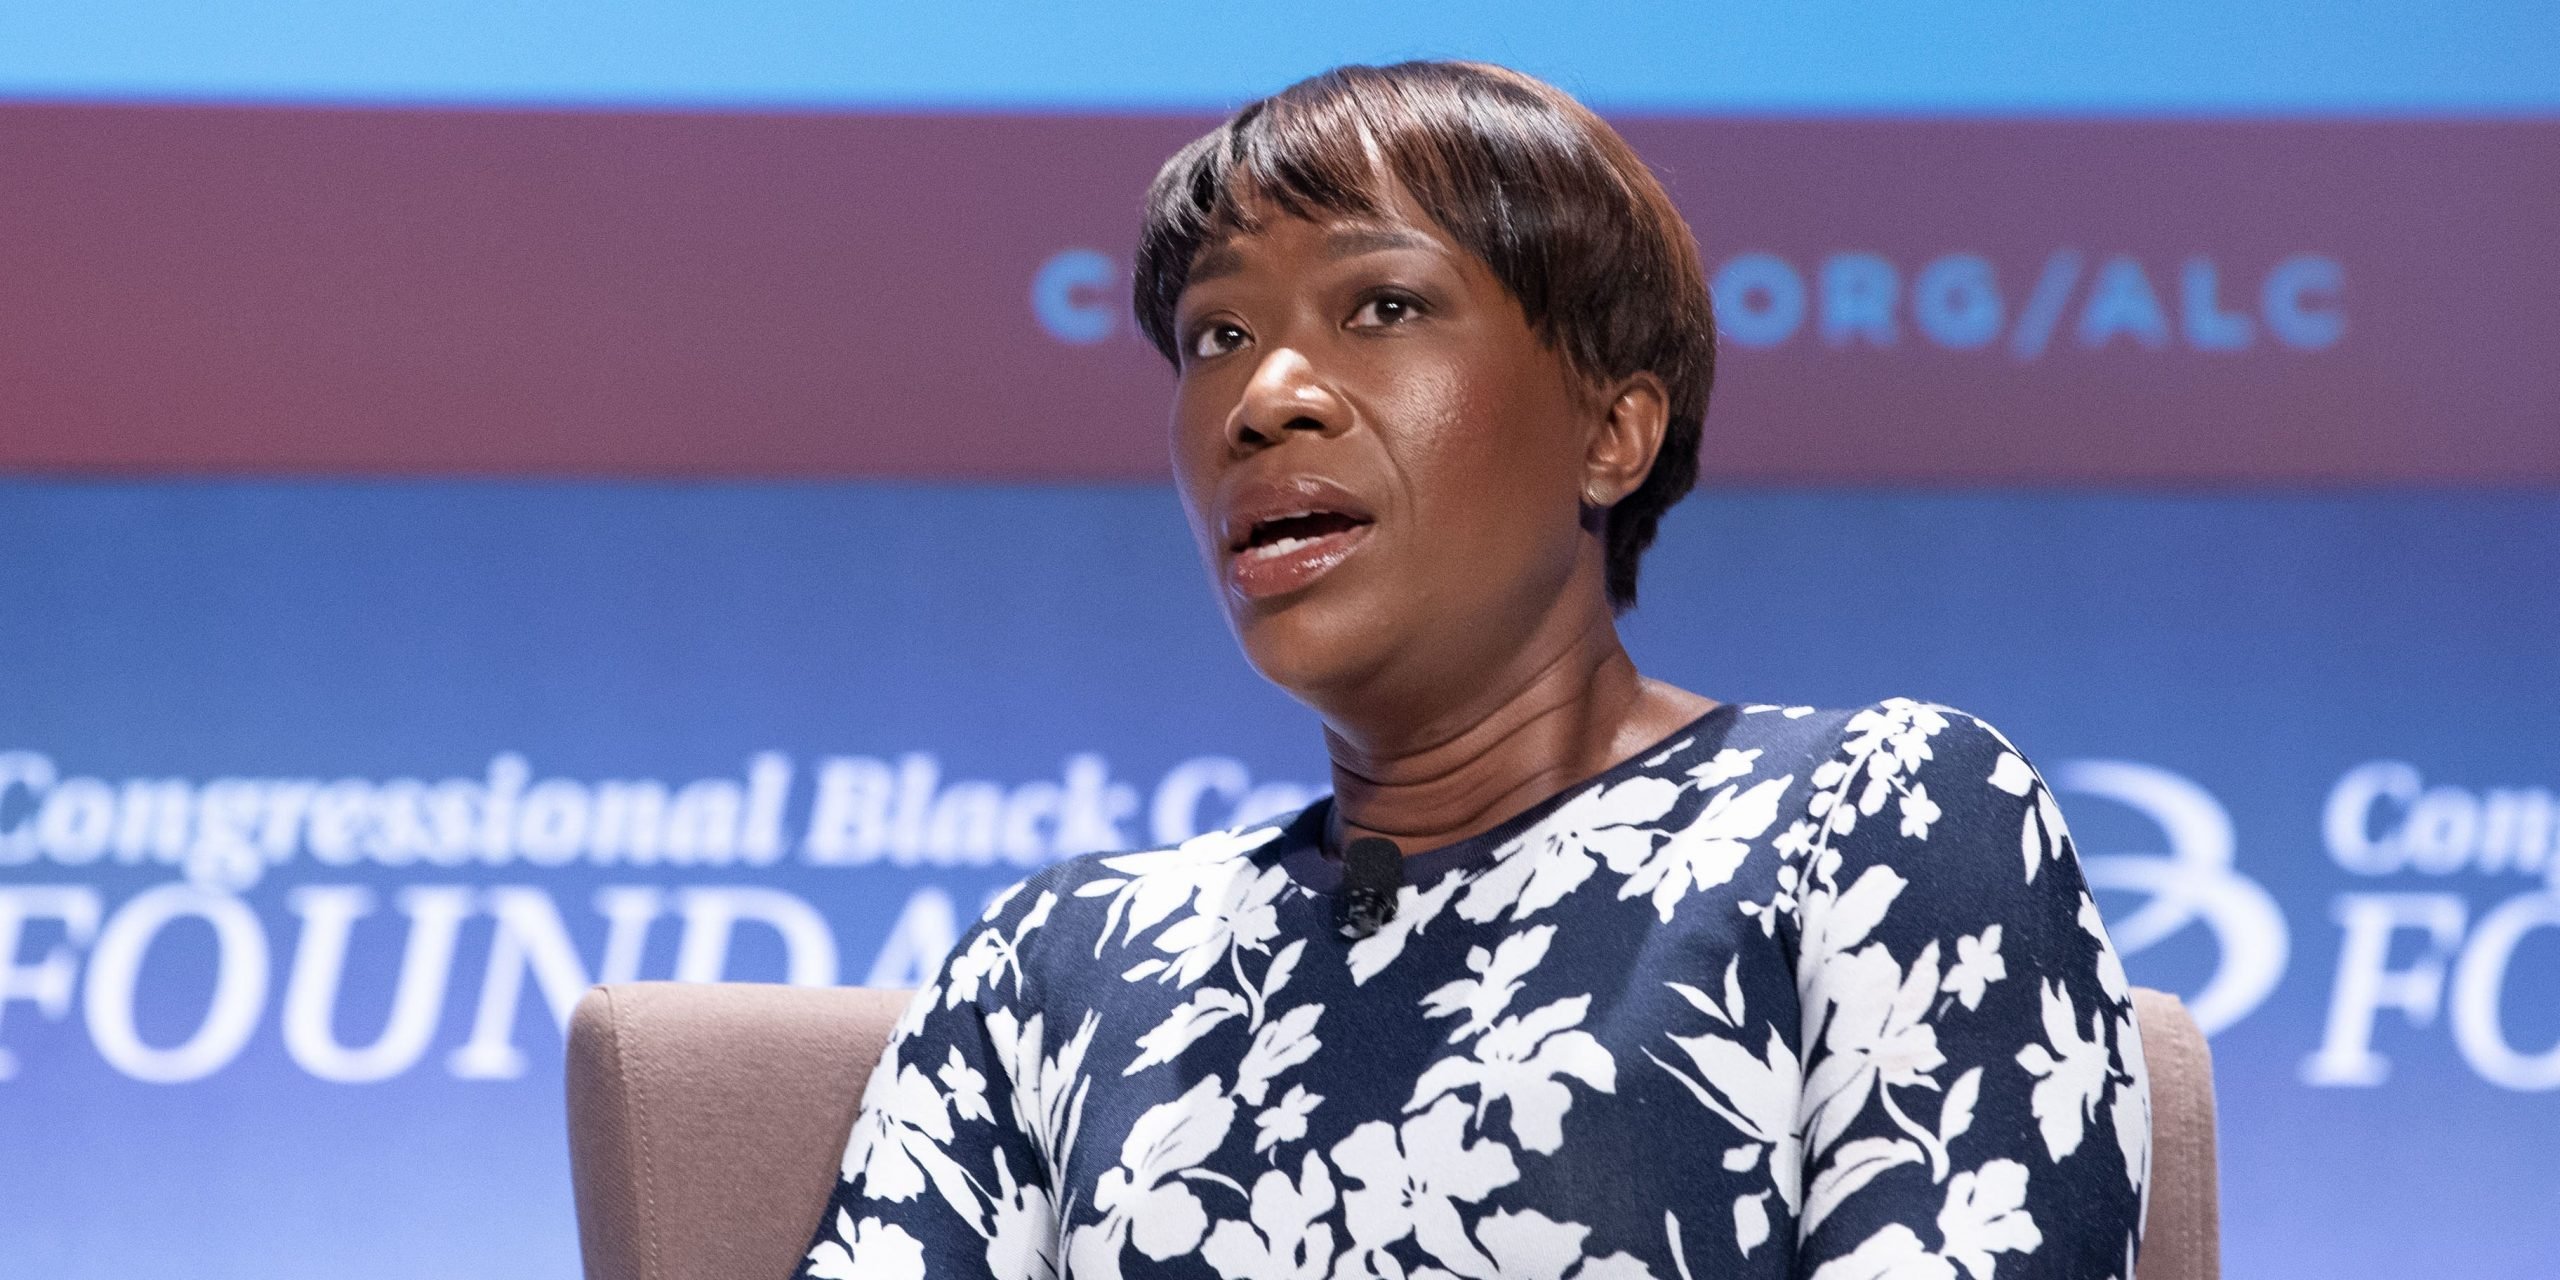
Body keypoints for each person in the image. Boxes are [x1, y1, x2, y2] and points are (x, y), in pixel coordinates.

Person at [796, 60, 2147, 1280]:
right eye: (1215, 337)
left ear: (1611, 432)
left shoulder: (1878, 820)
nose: (1266, 397)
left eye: (1382, 305)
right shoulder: (1057, 968)